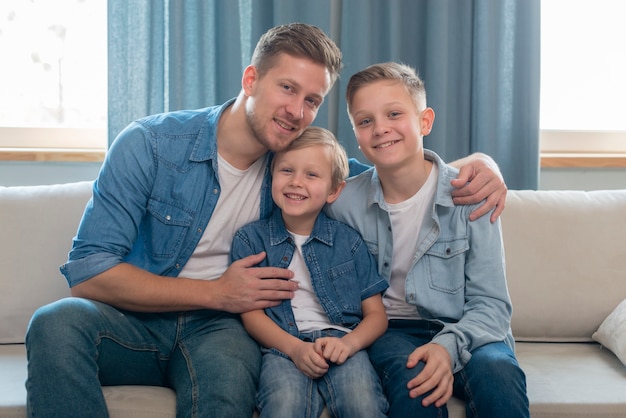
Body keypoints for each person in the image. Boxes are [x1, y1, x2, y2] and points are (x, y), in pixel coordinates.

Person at [24, 22, 507, 417]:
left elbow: (396, 167)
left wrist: (483, 164)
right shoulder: (149, 145)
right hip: (135, 322)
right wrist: (217, 292)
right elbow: (88, 272)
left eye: (313, 100)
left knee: (226, 388)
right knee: (55, 323)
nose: (297, 111)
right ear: (251, 80)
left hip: (220, 330)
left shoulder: (297, 172)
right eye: (287, 88)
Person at [326, 62, 529, 418]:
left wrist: (447, 347)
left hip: (469, 328)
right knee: (415, 385)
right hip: (392, 331)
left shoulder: (472, 194)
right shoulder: (342, 203)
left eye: (394, 113)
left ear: (425, 121)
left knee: (498, 372)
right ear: (355, 135)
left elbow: (493, 307)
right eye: (365, 121)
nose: (380, 129)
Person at [231, 126, 389, 418]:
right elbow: (250, 315)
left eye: (311, 174)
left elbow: (377, 316)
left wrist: (349, 344)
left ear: (334, 190)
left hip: (342, 342)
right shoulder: (251, 240)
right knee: (284, 405)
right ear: (272, 177)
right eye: (287, 170)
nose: (296, 182)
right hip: (282, 346)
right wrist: (293, 349)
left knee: (362, 404)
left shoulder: (348, 241)